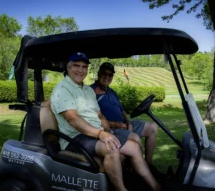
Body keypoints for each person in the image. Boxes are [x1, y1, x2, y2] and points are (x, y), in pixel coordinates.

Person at [50, 52, 160, 191]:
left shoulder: (86, 90)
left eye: (84, 67)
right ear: (68, 67)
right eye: (76, 66)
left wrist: (108, 131)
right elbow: (73, 119)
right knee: (112, 148)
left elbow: (100, 114)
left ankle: (155, 186)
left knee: (134, 147)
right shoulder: (63, 88)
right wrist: (101, 135)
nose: (80, 70)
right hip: (74, 137)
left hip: (93, 132)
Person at [90, 62, 159, 166]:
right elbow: (92, 117)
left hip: (123, 125)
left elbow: (122, 111)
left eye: (110, 75)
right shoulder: (90, 91)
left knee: (153, 127)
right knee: (135, 138)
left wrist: (127, 122)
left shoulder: (112, 92)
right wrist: (115, 125)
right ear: (99, 73)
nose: (107, 77)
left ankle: (148, 164)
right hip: (110, 129)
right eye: (104, 73)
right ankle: (139, 167)